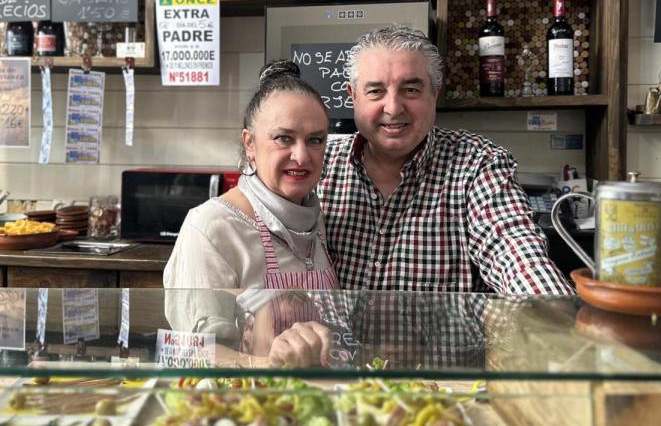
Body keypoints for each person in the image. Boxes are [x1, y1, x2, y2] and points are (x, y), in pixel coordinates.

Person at [318, 26, 574, 295]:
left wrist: (552, 310)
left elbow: (515, 251)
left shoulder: (477, 164)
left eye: (411, 90)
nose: (393, 108)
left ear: (434, 93)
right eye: (375, 91)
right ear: (353, 96)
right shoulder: (319, 164)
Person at [163, 60, 337, 366]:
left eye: (315, 140)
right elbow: (192, 352)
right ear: (250, 144)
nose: (301, 156)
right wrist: (269, 366)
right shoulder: (212, 227)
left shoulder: (315, 219)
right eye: (284, 138)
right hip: (250, 394)